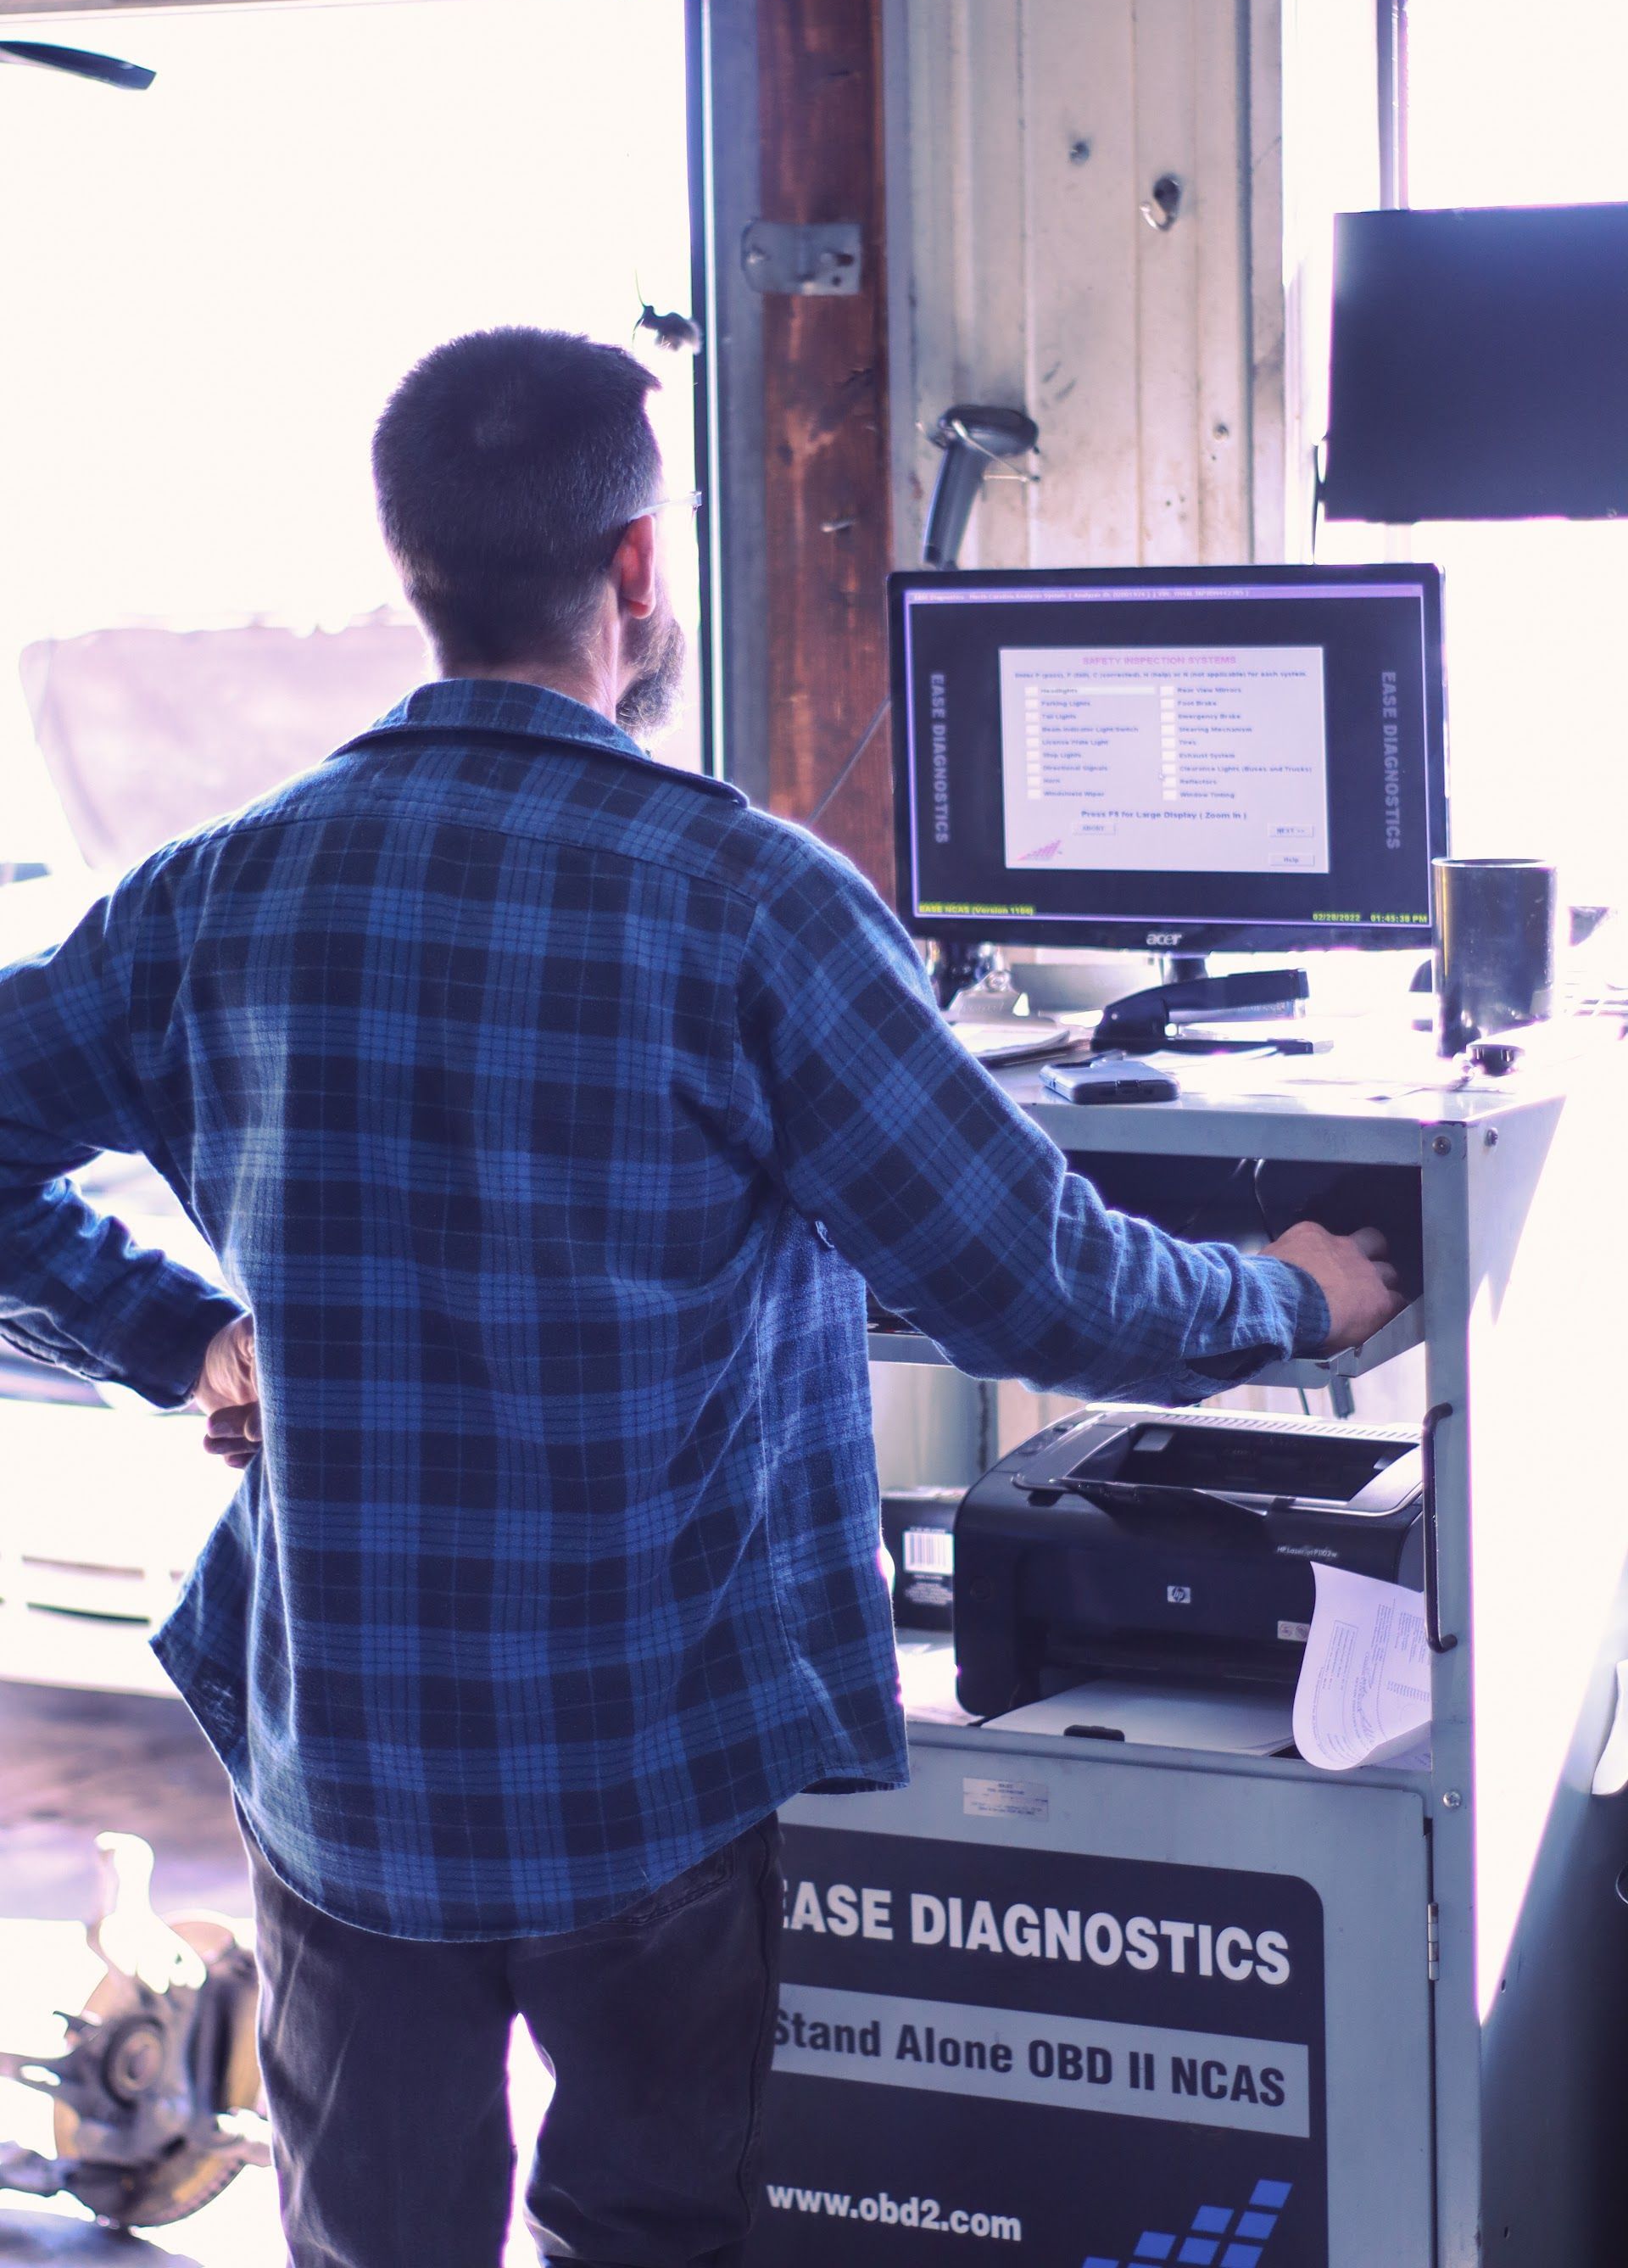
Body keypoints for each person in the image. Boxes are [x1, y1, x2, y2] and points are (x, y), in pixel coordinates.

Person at [0, 328, 1402, 2268]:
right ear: (639, 571)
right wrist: (1293, 1299)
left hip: (355, 1777)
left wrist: (175, 1332)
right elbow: (1035, 1286)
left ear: (414, 564)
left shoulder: (215, 892)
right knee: (650, 2232)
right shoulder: (750, 901)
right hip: (647, 1771)